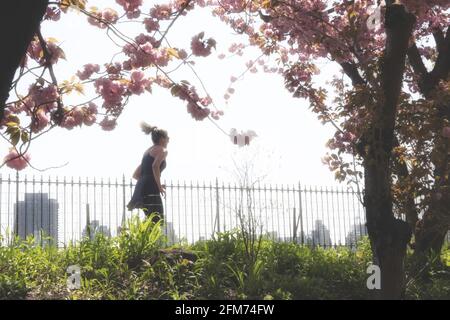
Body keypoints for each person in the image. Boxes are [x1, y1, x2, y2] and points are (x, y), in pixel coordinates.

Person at [127, 121, 169, 224]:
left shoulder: (148, 151)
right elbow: (155, 166)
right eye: (167, 137)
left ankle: (136, 237)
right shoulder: (162, 150)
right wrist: (158, 185)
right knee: (156, 220)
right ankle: (135, 236)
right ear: (162, 139)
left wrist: (154, 181)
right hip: (151, 189)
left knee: (150, 219)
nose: (169, 140)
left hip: (142, 188)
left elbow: (136, 174)